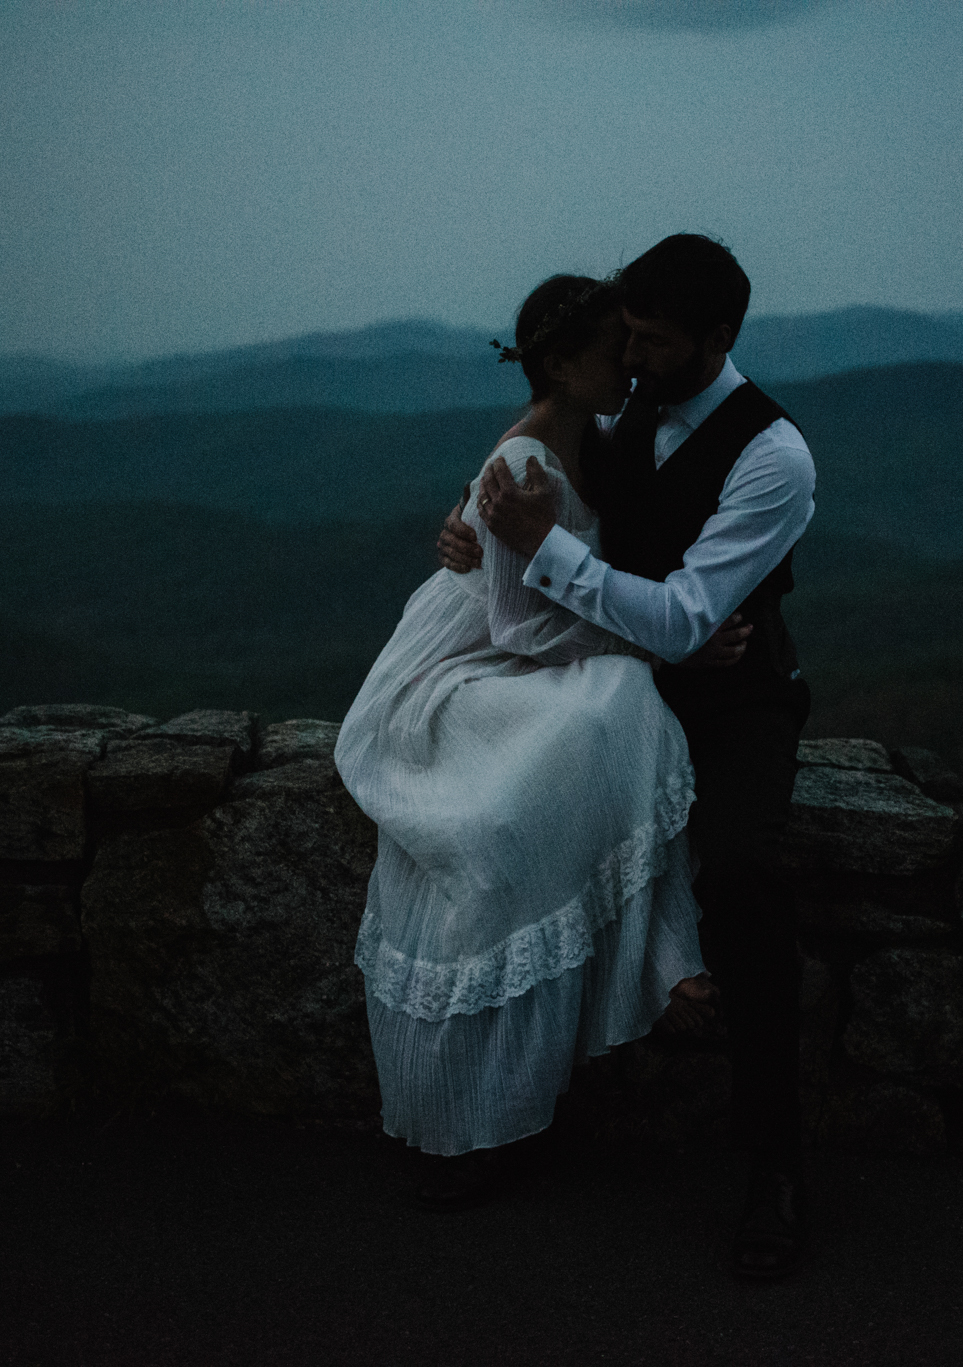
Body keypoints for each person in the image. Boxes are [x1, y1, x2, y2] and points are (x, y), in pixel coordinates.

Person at [441, 233, 817, 1280]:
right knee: (510, 825)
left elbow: (691, 615)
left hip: (734, 696)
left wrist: (540, 546)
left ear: (719, 336)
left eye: (653, 342)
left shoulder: (772, 455)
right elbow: (544, 453)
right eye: (629, 339)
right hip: (623, 677)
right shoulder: (631, 405)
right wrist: (472, 512)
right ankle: (503, 1118)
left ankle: (773, 1162)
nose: (634, 360)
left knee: (741, 872)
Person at [334, 273, 720, 1214]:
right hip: (465, 663)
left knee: (623, 712)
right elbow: (513, 624)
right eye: (611, 352)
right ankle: (667, 968)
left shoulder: (597, 438)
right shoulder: (526, 465)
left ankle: (672, 960)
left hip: (531, 645)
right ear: (558, 363)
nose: (630, 369)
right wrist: (653, 646)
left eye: (637, 349)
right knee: (611, 714)